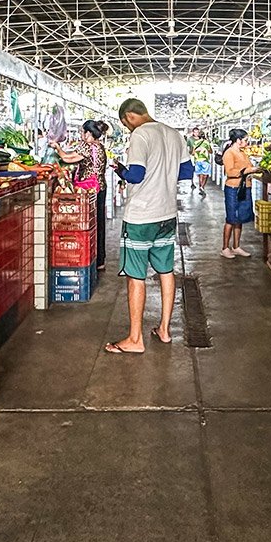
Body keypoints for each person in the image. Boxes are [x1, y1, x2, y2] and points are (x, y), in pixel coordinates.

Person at [105, 98, 192, 355]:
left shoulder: (140, 135)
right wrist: (163, 178)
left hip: (141, 216)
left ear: (129, 116)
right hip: (167, 213)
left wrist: (120, 169)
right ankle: (164, 329)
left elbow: (136, 175)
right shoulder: (174, 134)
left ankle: (135, 339)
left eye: (125, 124)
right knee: (166, 271)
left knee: (136, 276)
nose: (128, 128)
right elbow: (186, 172)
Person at [53, 120, 109, 271]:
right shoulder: (100, 147)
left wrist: (57, 148)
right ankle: (100, 259)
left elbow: (67, 158)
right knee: (99, 223)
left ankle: (90, 257)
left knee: (88, 224)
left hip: (89, 191)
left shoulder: (88, 147)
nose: (81, 135)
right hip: (100, 188)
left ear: (88, 133)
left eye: (83, 132)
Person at [221, 129, 257, 258]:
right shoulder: (229, 153)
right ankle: (225, 248)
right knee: (231, 218)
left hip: (244, 188)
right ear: (238, 140)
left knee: (240, 218)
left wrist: (253, 170)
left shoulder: (243, 153)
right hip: (233, 189)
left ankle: (236, 246)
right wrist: (248, 170)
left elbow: (249, 166)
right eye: (246, 140)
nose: (247, 143)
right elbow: (230, 172)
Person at [189, 128, 213, 196]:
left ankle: (201, 187)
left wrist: (197, 152)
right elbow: (211, 151)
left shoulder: (195, 143)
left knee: (200, 175)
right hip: (205, 160)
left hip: (197, 161)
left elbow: (193, 153)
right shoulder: (206, 143)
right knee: (205, 175)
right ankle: (202, 187)